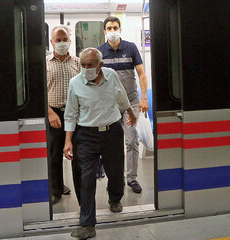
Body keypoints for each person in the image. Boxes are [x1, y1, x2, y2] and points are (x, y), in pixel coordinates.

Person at [63, 48, 137, 239]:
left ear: (100, 65)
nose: (86, 69)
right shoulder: (75, 83)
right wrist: (68, 140)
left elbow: (121, 96)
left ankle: (114, 198)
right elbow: (70, 113)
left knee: (115, 172)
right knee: (86, 179)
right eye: (83, 65)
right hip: (85, 135)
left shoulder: (111, 76)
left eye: (90, 65)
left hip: (112, 132)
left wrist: (130, 112)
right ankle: (88, 224)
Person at [97, 16, 149, 193]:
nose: (112, 31)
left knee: (132, 138)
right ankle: (115, 180)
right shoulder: (99, 52)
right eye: (109, 28)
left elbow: (141, 74)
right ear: (104, 31)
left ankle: (132, 178)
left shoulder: (131, 48)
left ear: (120, 29)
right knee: (111, 144)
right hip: (110, 106)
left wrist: (144, 98)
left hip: (131, 103)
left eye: (115, 27)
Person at [46, 25, 80, 204]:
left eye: (64, 39)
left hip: (76, 115)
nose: (61, 43)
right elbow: (39, 92)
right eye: (58, 40)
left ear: (70, 41)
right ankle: (56, 189)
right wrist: (50, 113)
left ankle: (81, 190)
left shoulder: (78, 63)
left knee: (78, 154)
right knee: (54, 154)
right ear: (51, 42)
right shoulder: (45, 63)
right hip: (54, 114)